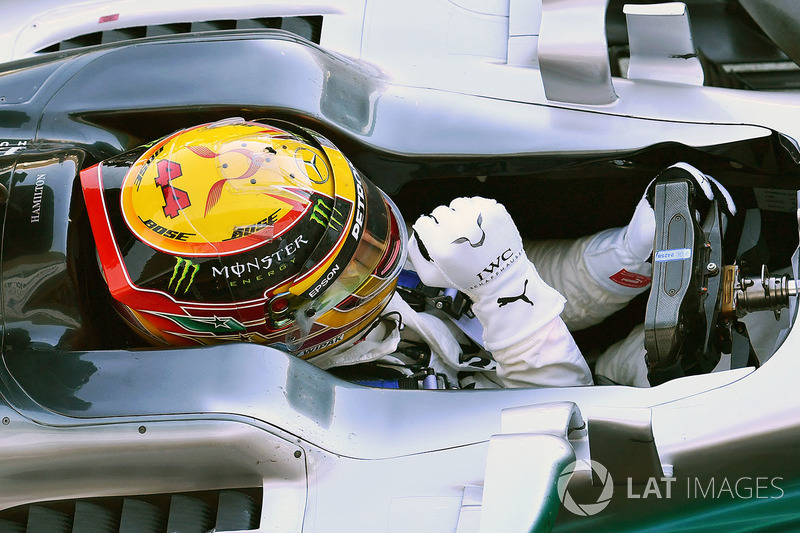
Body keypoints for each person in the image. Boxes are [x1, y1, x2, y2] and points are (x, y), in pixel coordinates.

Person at [80, 118, 733, 389]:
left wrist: (620, 257)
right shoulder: (343, 401)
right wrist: (508, 288)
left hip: (517, 350)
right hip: (546, 387)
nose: (377, 254)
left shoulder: (352, 295)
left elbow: (465, 295)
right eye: (352, 262)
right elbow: (554, 424)